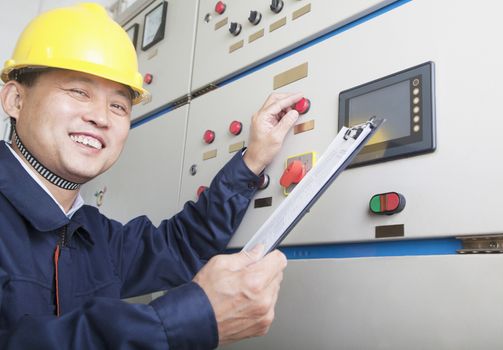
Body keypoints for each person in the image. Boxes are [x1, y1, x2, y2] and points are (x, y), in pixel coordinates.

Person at [0, 3, 303, 349]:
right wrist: (190, 320)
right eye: (78, 92)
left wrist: (251, 162)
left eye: (118, 106)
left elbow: (179, 245)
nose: (101, 117)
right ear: (15, 99)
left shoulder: (92, 234)